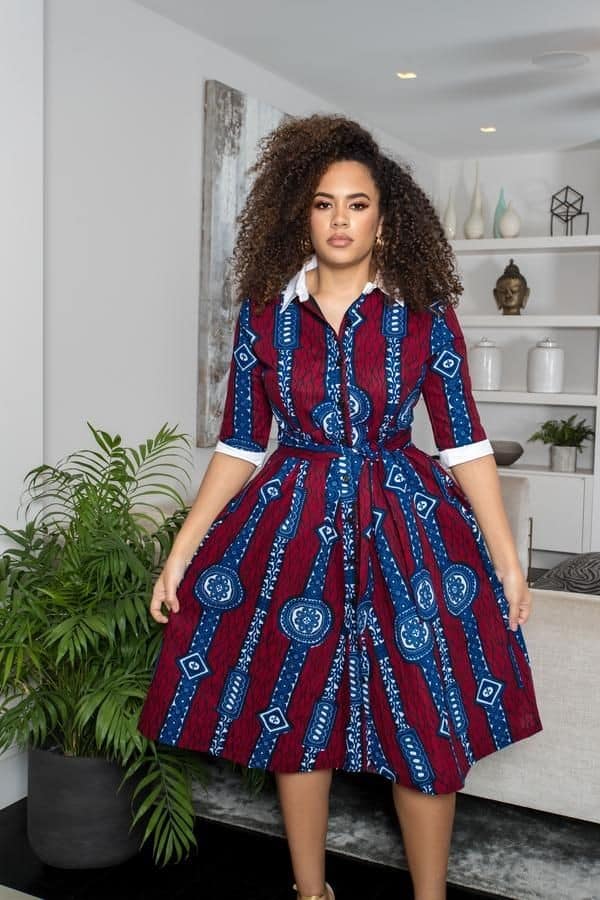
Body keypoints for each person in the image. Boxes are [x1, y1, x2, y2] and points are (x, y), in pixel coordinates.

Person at [138, 114, 543, 900]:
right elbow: (240, 443)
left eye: (357, 204)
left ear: (383, 219)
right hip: (293, 531)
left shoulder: (423, 311)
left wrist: (506, 559)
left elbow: (463, 442)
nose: (340, 220)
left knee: (423, 724)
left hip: (406, 532)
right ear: (302, 214)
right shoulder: (264, 314)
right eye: (324, 204)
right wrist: (182, 549)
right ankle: (311, 893)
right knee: (296, 721)